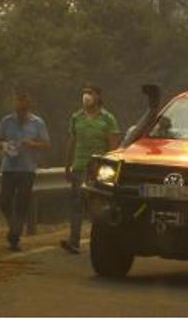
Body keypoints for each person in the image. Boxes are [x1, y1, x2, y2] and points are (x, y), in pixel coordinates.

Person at [60, 83, 120, 254]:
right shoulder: (76, 117)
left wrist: (110, 168)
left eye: (90, 93)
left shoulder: (108, 118)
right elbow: (72, 141)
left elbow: (114, 145)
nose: (86, 96)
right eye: (84, 93)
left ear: (98, 97)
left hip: (97, 170)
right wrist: (67, 164)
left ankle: (102, 242)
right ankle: (74, 241)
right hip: (79, 166)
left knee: (98, 207)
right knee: (76, 204)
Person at [0, 87, 51, 252]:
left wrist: (33, 144)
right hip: (9, 167)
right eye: (17, 100)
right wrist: (5, 145)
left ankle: (15, 236)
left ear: (29, 102)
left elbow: (47, 144)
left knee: (21, 202)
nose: (20, 103)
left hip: (27, 168)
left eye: (23, 100)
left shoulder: (37, 122)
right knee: (4, 200)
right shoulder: (7, 121)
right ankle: (14, 227)